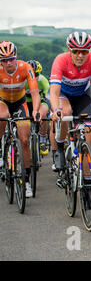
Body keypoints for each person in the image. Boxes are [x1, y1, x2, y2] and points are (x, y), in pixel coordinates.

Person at [49, 31, 91, 193]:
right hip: (63, 95)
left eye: (84, 51)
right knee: (65, 111)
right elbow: (54, 92)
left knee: (89, 135)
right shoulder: (60, 60)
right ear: (69, 50)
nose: (80, 55)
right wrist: (56, 110)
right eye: (76, 51)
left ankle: (88, 177)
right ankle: (61, 147)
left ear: (89, 51)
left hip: (83, 96)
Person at [0, 41, 40, 198]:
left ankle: (27, 180)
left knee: (24, 140)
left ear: (16, 57)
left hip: (19, 103)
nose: (8, 63)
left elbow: (35, 93)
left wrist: (36, 110)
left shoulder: (25, 68)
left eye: (11, 59)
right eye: (4, 60)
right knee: (3, 117)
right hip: (2, 102)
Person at [25, 60, 51, 155]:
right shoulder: (24, 81)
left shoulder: (42, 80)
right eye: (31, 74)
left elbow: (48, 95)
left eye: (36, 74)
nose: (34, 77)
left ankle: (43, 139)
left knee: (44, 115)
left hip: (40, 102)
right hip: (26, 103)